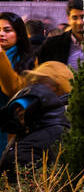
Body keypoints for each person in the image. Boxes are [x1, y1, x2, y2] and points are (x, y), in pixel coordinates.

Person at [0, 46, 72, 176]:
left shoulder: (54, 130)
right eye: (32, 82)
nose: (33, 88)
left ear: (59, 89)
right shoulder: (33, 124)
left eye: (41, 83)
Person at [37, 0, 84, 71]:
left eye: (83, 17)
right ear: (68, 19)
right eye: (75, 18)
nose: (80, 22)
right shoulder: (52, 44)